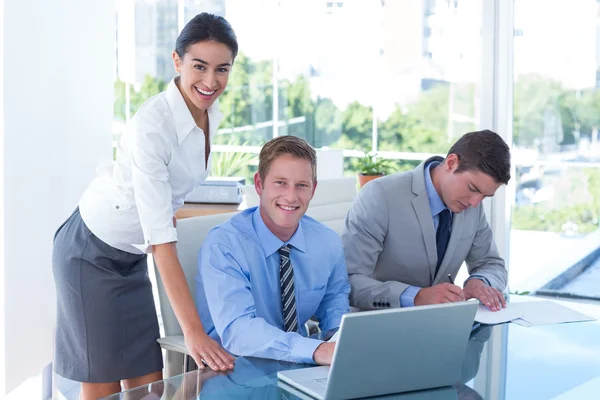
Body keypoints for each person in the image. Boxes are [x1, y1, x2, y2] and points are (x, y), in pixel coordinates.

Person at [52, 13, 237, 400]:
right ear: (177, 61)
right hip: (91, 253)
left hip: (130, 256)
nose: (210, 81)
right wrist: (194, 334)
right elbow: (161, 242)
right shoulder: (152, 126)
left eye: (222, 69)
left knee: (148, 383)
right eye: (199, 66)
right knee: (102, 388)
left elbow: (165, 199)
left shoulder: (209, 113)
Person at [196, 136, 350, 365]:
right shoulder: (225, 245)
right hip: (234, 369)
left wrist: (338, 339)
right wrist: (316, 350)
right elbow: (238, 331)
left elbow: (334, 301)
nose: (291, 196)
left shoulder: (327, 242)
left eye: (301, 185)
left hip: (298, 366)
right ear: (259, 184)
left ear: (313, 189)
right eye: (280, 182)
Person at [341, 130, 509, 313]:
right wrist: (416, 296)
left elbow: (491, 264)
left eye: (485, 196)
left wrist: (480, 281)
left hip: (439, 327)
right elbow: (348, 280)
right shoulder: (380, 195)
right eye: (472, 188)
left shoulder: (471, 207)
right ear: (452, 163)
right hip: (378, 326)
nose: (475, 202)